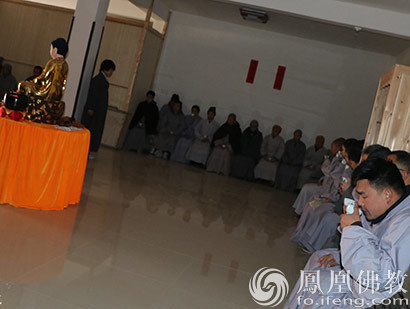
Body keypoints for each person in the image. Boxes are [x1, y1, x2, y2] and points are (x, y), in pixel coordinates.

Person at [285, 158, 410, 308]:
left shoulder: (406, 222)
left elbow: (383, 278)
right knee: (318, 261)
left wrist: (354, 229)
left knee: (317, 293)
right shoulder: (388, 209)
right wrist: (341, 254)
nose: (360, 203)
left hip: (373, 298)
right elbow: (372, 241)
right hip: (360, 279)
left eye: (364, 196)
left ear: (387, 195)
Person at [290, 140, 363, 254]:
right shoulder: (342, 162)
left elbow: (343, 190)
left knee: (321, 213)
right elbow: (331, 176)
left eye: (343, 151)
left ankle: (313, 244)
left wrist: (334, 199)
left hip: (337, 201)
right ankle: (302, 235)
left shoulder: (353, 171)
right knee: (311, 205)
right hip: (333, 196)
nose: (341, 153)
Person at [81, 59, 116, 157]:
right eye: (111, 70)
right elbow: (93, 95)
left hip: (98, 111)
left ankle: (89, 151)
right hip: (94, 111)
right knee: (91, 129)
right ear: (106, 69)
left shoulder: (103, 80)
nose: (111, 73)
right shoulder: (98, 80)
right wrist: (91, 108)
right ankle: (86, 151)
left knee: (95, 130)